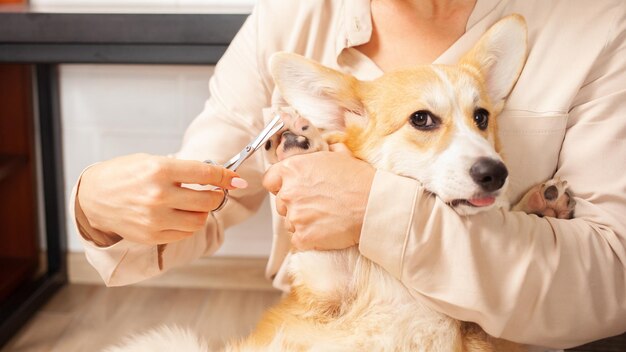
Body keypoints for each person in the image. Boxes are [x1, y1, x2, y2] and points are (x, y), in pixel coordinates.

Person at [72, 0, 626, 350]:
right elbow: (204, 189)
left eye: (481, 119)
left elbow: (612, 277)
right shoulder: (289, 15)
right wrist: (96, 207)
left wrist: (373, 209)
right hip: (325, 321)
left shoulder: (599, 23)